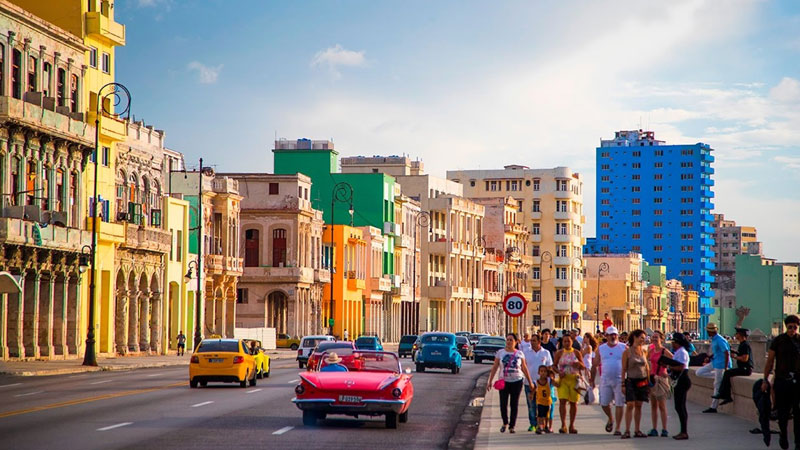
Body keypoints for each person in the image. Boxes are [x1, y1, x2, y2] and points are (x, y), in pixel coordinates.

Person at [762, 315, 800, 450]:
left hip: (797, 382)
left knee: (798, 412)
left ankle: (797, 442)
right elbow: (770, 361)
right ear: (786, 327)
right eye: (790, 327)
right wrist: (765, 379)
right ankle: (783, 435)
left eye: (795, 327)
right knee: (783, 413)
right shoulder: (778, 341)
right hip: (782, 381)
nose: (792, 330)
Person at [487, 333, 535, 434]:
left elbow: (524, 368)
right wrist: (490, 381)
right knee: (503, 403)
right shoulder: (500, 353)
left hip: (517, 381)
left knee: (514, 403)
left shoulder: (519, 353)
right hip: (503, 381)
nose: (509, 342)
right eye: (507, 340)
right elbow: (495, 367)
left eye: (511, 340)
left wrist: (530, 381)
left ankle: (512, 426)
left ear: (516, 342)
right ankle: (505, 422)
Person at [591, 326, 627, 436]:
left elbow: (629, 363)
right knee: (604, 403)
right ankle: (611, 418)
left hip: (619, 380)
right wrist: (592, 380)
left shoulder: (623, 347)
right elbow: (595, 365)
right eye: (610, 334)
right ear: (606, 336)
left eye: (615, 334)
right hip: (605, 380)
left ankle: (618, 428)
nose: (613, 336)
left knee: (619, 404)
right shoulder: (601, 349)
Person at [621, 329, 650, 439]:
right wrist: (622, 384)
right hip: (631, 381)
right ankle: (627, 430)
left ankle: (637, 430)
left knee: (639, 405)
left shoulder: (644, 351)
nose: (643, 340)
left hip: (642, 381)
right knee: (630, 405)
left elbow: (646, 367)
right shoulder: (627, 352)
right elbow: (623, 369)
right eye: (641, 338)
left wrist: (649, 382)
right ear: (635, 337)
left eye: (644, 338)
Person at [554, 333, 585, 434]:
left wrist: (579, 364)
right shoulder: (559, 353)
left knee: (573, 403)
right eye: (565, 341)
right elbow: (554, 366)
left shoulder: (576, 353)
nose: (567, 343)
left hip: (574, 379)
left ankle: (572, 425)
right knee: (562, 401)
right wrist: (559, 372)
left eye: (569, 341)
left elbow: (583, 367)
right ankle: (563, 425)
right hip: (563, 380)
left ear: (572, 342)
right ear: (562, 342)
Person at [714, 327, 753, 405]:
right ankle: (725, 395)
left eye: (737, 333)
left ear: (741, 335)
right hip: (743, 368)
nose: (735, 335)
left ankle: (725, 395)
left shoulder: (745, 345)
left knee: (727, 373)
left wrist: (734, 356)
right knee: (728, 373)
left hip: (745, 369)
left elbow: (745, 359)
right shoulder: (742, 344)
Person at [697, 322, 730, 413]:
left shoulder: (720, 340)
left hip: (721, 364)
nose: (707, 332)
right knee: (699, 372)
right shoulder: (714, 339)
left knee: (717, 385)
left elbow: (726, 352)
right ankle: (718, 377)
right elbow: (717, 352)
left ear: (711, 332)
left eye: (708, 331)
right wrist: (709, 357)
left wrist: (726, 367)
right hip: (715, 361)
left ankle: (713, 407)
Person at [522, 333, 553, 432]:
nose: (532, 342)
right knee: (531, 405)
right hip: (529, 382)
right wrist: (529, 381)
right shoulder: (526, 352)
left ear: (539, 342)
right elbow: (523, 367)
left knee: (543, 405)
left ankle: (544, 425)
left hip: (543, 384)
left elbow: (549, 367)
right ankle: (533, 424)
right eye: (531, 340)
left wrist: (550, 380)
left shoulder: (546, 353)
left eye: (534, 340)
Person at [647, 330, 673, 437]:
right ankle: (654, 428)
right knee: (653, 405)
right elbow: (647, 361)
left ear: (661, 339)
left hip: (661, 379)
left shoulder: (664, 351)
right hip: (652, 378)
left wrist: (668, 372)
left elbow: (674, 361)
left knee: (662, 405)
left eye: (656, 337)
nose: (654, 339)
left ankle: (664, 429)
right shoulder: (651, 350)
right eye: (653, 337)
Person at [670, 332, 692, 440]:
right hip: (680, 380)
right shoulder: (678, 352)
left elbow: (681, 367)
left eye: (673, 342)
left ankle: (684, 431)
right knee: (678, 406)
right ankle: (683, 431)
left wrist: (669, 366)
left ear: (678, 343)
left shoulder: (682, 352)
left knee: (680, 406)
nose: (672, 344)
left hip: (682, 380)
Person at [535, 365, 559, 434]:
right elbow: (533, 389)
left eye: (545, 371)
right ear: (538, 373)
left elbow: (556, 384)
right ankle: (540, 427)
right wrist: (531, 395)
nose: (543, 373)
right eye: (541, 371)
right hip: (540, 401)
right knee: (540, 415)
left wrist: (553, 378)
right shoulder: (537, 381)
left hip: (548, 401)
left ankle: (546, 426)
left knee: (547, 415)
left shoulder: (549, 380)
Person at [581, 333, 598, 405]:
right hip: (585, 365)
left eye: (585, 337)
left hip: (587, 366)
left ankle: (589, 399)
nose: (583, 339)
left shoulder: (589, 347)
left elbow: (581, 354)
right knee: (586, 384)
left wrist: (582, 345)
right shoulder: (586, 346)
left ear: (588, 338)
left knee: (587, 384)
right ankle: (588, 398)